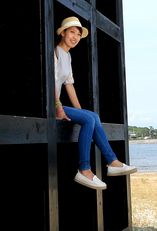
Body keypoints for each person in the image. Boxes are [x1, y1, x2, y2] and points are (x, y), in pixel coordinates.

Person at [54, 16, 137, 190]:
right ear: (63, 33)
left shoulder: (68, 57)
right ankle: (84, 169)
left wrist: (80, 113)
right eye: (72, 32)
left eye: (78, 34)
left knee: (92, 117)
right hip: (51, 104)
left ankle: (113, 162)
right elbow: (51, 82)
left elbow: (69, 86)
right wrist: (58, 108)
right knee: (90, 119)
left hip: (59, 103)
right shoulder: (54, 53)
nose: (75, 37)